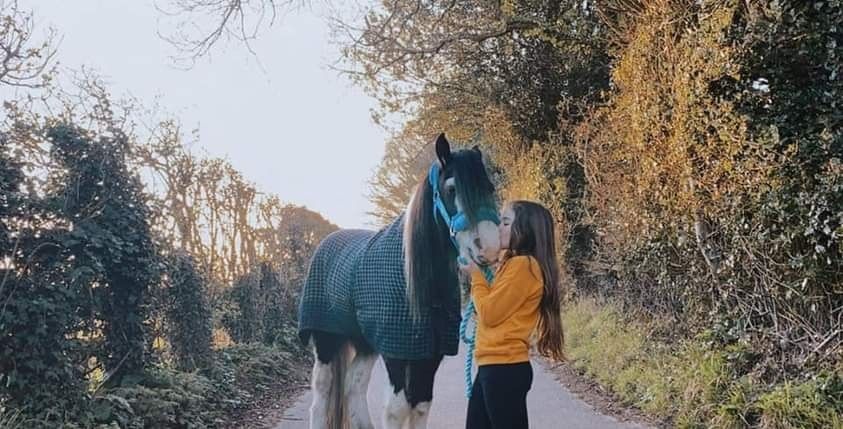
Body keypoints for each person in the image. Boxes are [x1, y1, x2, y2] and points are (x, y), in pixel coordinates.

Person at [463, 200, 565, 429]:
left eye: (506, 222)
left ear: (524, 230)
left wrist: (476, 277)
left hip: (503, 370)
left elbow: (489, 313)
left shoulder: (523, 266)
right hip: (495, 366)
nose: (499, 227)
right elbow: (496, 306)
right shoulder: (516, 265)